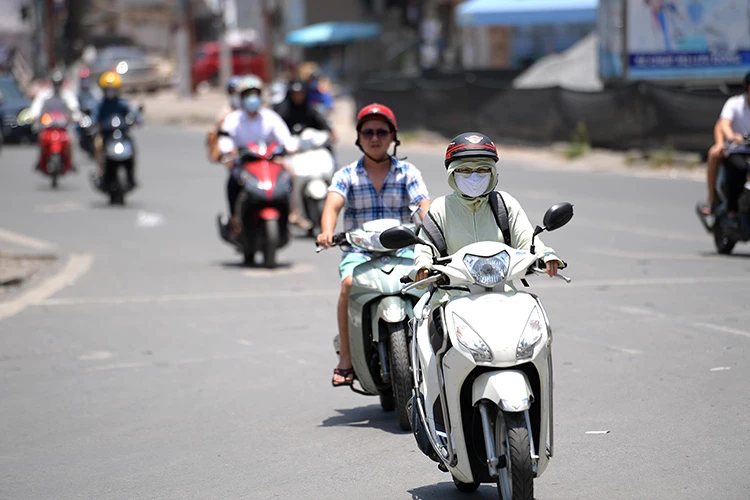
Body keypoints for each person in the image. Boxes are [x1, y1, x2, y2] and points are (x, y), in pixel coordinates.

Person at [316, 103, 431, 387]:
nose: (375, 138)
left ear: (393, 136)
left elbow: (423, 207)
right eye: (368, 132)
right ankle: (346, 359)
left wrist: (433, 228)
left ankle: (435, 352)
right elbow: (332, 204)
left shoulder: (407, 172)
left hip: (403, 250)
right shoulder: (347, 175)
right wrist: (326, 231)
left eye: (382, 131)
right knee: (347, 284)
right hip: (360, 252)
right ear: (358, 137)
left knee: (429, 282)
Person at [413, 132, 564, 286]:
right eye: (464, 170)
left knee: (532, 306)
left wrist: (545, 254)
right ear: (452, 173)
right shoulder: (440, 208)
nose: (474, 177)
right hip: (452, 295)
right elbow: (426, 247)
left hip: (501, 293)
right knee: (425, 310)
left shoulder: (504, 204)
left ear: (493, 173)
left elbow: (526, 239)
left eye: (482, 169)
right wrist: (422, 266)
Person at [216, 74, 312, 233]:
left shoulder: (270, 117)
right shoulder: (232, 119)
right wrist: (229, 151)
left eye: (255, 94)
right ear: (241, 98)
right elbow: (225, 142)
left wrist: (289, 148)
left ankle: (293, 213)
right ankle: (235, 219)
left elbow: (285, 138)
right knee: (233, 181)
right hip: (245, 164)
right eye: (248, 95)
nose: (252, 99)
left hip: (269, 162)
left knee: (290, 176)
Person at [700, 71, 750, 216]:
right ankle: (721, 204)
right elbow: (723, 124)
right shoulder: (735, 104)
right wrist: (732, 137)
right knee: (737, 167)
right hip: (736, 150)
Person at [92, 70, 143, 188]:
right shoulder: (100, 104)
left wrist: (138, 119)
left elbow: (134, 113)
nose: (110, 93)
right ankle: (101, 172)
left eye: (113, 90)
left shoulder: (122, 103)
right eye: (107, 90)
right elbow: (93, 116)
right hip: (106, 135)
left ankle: (131, 175)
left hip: (121, 134)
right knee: (98, 145)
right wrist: (92, 123)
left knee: (132, 145)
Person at [29, 70, 80, 172]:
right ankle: (40, 161)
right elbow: (37, 107)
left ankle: (71, 161)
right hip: (48, 126)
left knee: (71, 139)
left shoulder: (67, 95)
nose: (57, 85)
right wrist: (34, 115)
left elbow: (74, 108)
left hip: (63, 126)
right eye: (55, 83)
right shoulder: (44, 95)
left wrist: (76, 117)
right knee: (41, 138)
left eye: (59, 83)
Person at [207, 75, 243, 162]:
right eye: (232, 92)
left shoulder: (254, 112)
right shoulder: (225, 112)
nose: (235, 95)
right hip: (233, 152)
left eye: (237, 92)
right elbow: (215, 133)